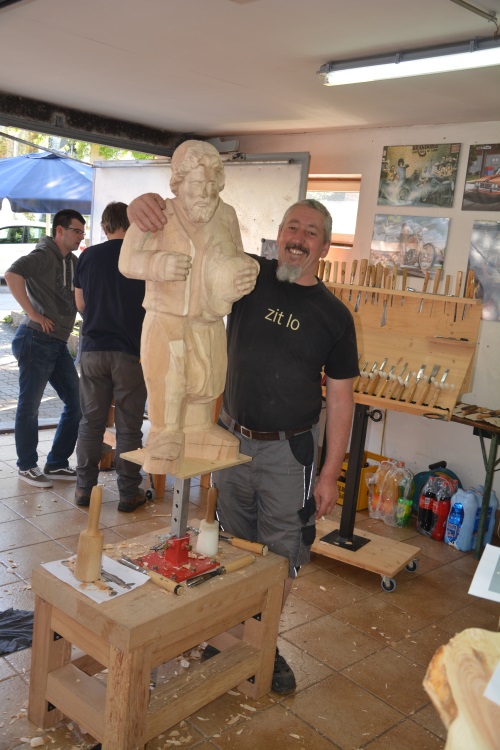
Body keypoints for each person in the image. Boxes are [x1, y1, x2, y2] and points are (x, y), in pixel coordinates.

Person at [128, 194, 359, 694]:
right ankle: (233, 633)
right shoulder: (249, 276)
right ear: (279, 233)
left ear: (324, 246)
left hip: (289, 452)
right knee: (233, 544)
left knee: (281, 552)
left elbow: (342, 401)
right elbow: (192, 232)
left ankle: (264, 643)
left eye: (311, 232)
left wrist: (329, 474)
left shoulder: (334, 315)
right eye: (292, 227)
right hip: (229, 440)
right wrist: (143, 209)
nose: (298, 239)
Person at [119, 140, 259, 476]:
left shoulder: (226, 215)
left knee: (208, 374)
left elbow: (239, 255)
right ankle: (165, 433)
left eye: (212, 183)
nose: (206, 192)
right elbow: (126, 261)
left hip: (209, 317)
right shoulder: (158, 214)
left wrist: (246, 272)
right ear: (179, 183)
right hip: (167, 317)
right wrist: (157, 264)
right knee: (170, 375)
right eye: (197, 183)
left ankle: (198, 428)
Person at [73, 202, 148, 512]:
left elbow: (80, 304)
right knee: (129, 426)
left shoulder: (88, 256)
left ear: (104, 227)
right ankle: (129, 493)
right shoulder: (143, 257)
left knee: (91, 422)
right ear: (132, 226)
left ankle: (84, 489)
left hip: (93, 349)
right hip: (130, 351)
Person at [5, 210, 84, 488]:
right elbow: (11, 275)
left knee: (77, 404)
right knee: (29, 407)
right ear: (60, 230)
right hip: (35, 339)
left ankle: (57, 463)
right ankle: (26, 466)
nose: (81, 236)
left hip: (58, 343)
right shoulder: (42, 255)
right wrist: (33, 314)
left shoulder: (73, 262)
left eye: (83, 232)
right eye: (76, 231)